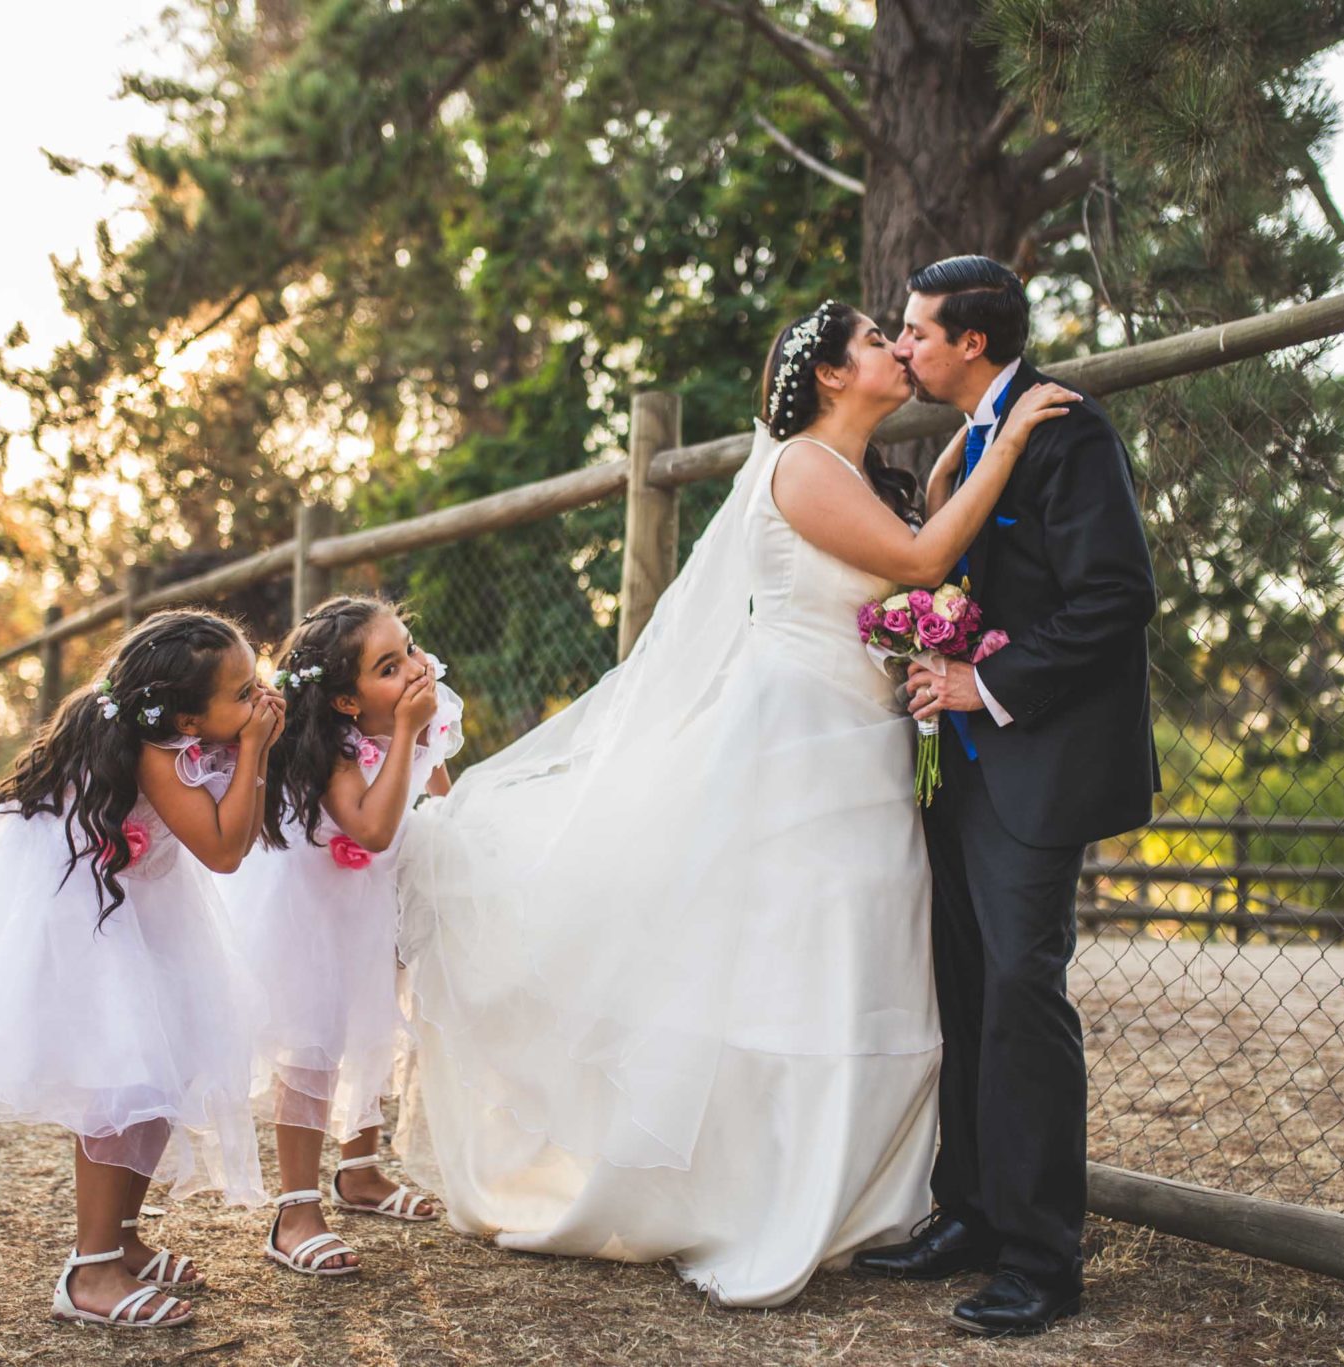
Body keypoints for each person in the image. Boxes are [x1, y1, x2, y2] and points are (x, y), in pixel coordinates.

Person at [394, 300, 1074, 1306]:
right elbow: (923, 562)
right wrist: (1007, 438)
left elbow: (907, 540)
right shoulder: (798, 465)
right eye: (874, 340)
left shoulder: (842, 471)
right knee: (798, 954)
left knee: (857, 949)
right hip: (803, 738)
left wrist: (948, 470)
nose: (897, 347)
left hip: (859, 735)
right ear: (833, 376)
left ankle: (849, 1189)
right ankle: (769, 1187)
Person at [853, 255, 1159, 1339]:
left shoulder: (1067, 431)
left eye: (916, 332)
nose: (901, 347)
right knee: (965, 986)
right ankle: (969, 1212)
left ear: (971, 343)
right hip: (961, 766)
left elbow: (1117, 595)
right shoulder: (977, 435)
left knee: (1023, 992)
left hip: (1036, 759)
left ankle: (1041, 1256)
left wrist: (984, 682)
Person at [0, 609, 283, 1330]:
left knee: (161, 1076)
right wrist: (257, 751)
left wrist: (245, 734)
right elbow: (225, 848)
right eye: (241, 693)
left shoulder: (177, 734)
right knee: (122, 1081)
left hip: (144, 913)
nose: (256, 700)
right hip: (94, 926)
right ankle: (89, 1271)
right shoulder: (156, 750)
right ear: (182, 712)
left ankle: (122, 1234)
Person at [220, 594, 463, 1279]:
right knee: (315, 1041)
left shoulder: (426, 717)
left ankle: (359, 1169)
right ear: (350, 703)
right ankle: (294, 1210)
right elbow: (373, 826)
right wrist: (411, 731)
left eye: (410, 648)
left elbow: (439, 801)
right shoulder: (334, 750)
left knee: (375, 1023)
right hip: (311, 906)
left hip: (373, 899)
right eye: (390, 666)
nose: (415, 669)